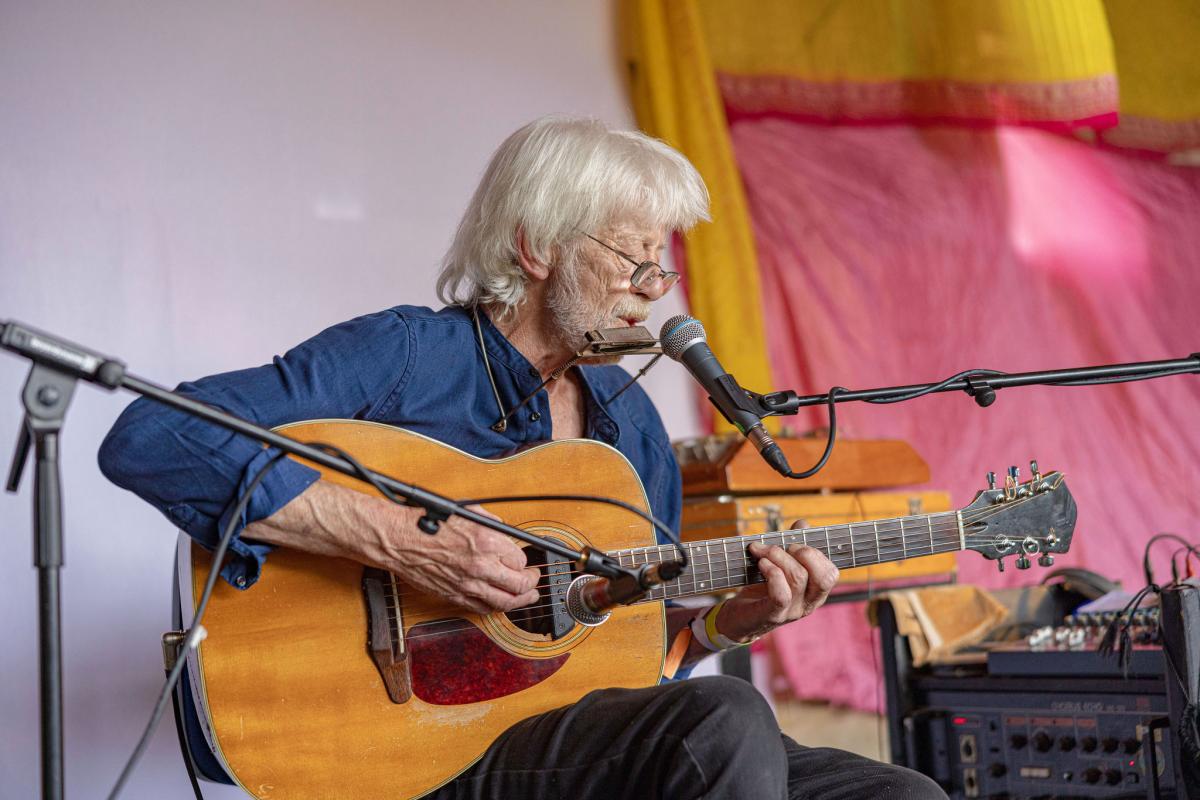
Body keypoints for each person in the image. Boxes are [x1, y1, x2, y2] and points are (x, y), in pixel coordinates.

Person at [99, 115, 946, 799]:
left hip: (564, 741)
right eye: (632, 257)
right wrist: (405, 542)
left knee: (898, 793)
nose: (655, 290)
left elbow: (632, 649)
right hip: (414, 750)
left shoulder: (629, 421)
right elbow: (153, 436)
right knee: (723, 721)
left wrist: (727, 624)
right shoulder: (407, 357)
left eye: (662, 264)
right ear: (537, 247)